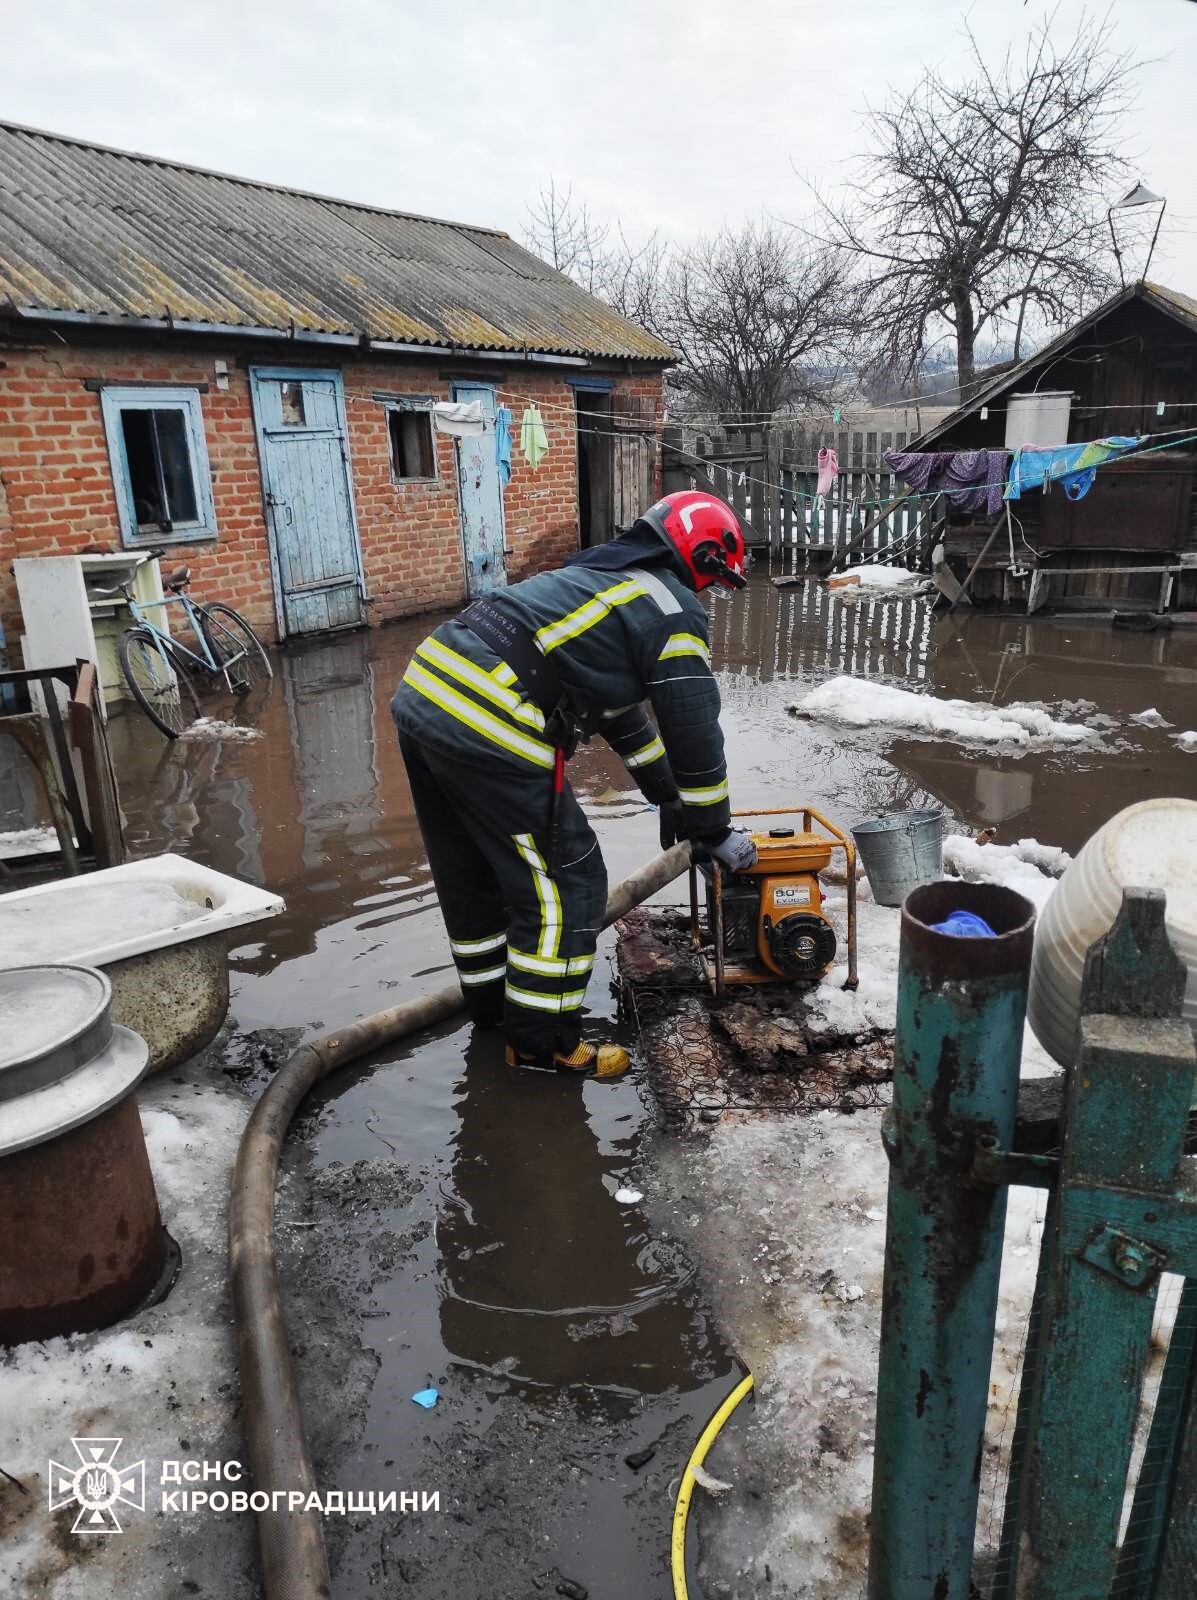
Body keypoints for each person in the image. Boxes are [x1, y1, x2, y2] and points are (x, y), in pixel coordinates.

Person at [390, 490, 757, 1080]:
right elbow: (693, 727)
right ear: (702, 556)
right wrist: (713, 828)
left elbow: (619, 713)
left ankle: (494, 1012)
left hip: (427, 689)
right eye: (714, 582)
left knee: (475, 874)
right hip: (488, 712)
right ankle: (542, 1045)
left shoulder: (604, 576)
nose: (707, 595)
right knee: (569, 880)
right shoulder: (671, 607)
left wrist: (666, 795)